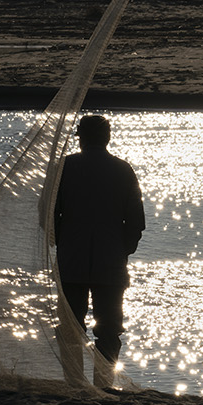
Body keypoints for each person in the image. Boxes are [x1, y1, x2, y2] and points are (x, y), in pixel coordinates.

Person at [53, 114, 145, 372]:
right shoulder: (123, 170)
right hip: (111, 263)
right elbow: (136, 221)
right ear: (108, 138)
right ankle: (104, 385)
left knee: (70, 326)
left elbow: (48, 215)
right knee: (109, 329)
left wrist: (63, 242)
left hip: (71, 261)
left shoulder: (65, 168)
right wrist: (123, 250)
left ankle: (74, 382)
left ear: (81, 139)